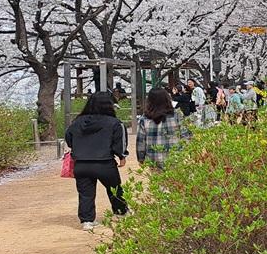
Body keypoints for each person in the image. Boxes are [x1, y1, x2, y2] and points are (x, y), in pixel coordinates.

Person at [64, 91, 129, 231]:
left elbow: (69, 139)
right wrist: (122, 156)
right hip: (104, 163)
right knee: (115, 190)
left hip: (81, 164)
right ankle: (121, 213)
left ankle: (87, 221)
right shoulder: (114, 123)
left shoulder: (77, 122)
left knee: (85, 193)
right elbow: (119, 142)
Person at [136, 87, 192, 168]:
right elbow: (186, 135)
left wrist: (141, 158)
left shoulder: (144, 119)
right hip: (175, 158)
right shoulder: (177, 115)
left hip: (154, 159)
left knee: (157, 180)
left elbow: (141, 141)